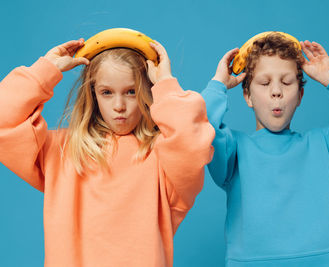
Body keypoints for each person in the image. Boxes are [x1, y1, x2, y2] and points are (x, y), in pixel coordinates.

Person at [0, 37, 215, 266]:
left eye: (131, 91)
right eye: (107, 92)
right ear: (93, 94)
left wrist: (165, 83)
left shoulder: (164, 158)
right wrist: (44, 70)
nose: (119, 105)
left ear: (147, 92)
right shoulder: (61, 150)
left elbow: (193, 144)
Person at [201, 32, 329, 266]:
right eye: (264, 83)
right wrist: (218, 85)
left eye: (286, 82)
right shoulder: (233, 153)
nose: (277, 91)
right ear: (247, 95)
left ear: (300, 95)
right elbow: (199, 129)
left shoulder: (326, 147)